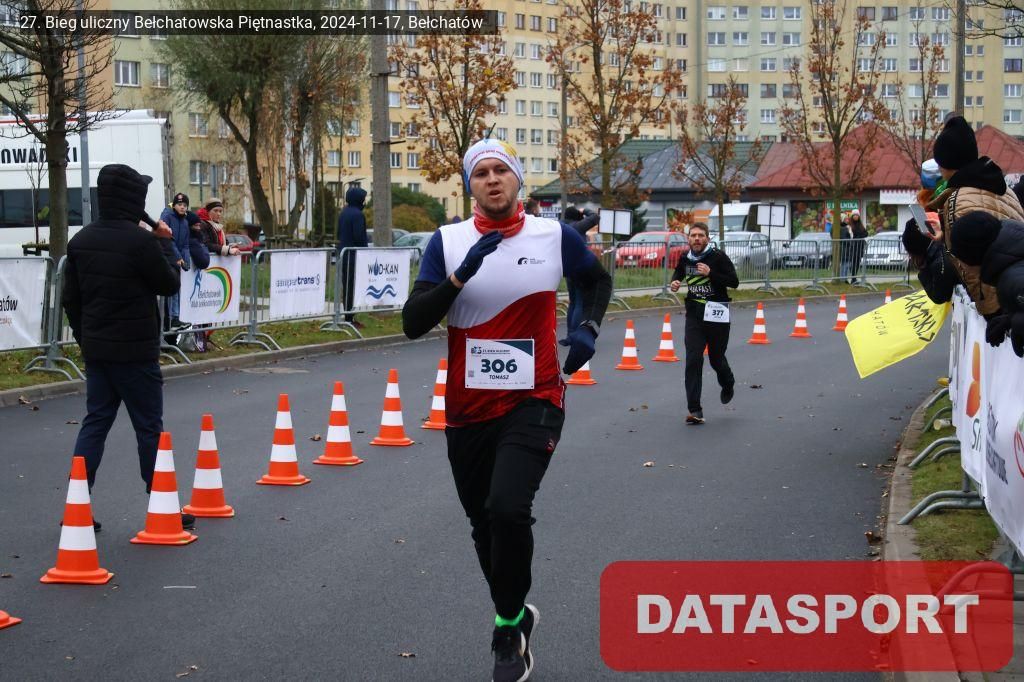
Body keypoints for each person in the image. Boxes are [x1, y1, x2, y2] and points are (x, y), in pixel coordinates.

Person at [402, 138, 611, 682]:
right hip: (467, 409)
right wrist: (458, 277)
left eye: (501, 170)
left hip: (535, 397)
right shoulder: (448, 241)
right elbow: (412, 322)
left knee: (508, 509)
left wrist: (587, 327)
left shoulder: (553, 236)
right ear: (469, 185)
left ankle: (505, 631)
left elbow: (596, 280)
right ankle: (515, 617)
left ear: (518, 179)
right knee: (483, 525)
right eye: (481, 173)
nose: (492, 179)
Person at [62, 164, 194, 530]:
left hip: (98, 352)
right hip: (136, 354)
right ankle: (162, 505)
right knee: (148, 427)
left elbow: (71, 300)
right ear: (134, 199)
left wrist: (86, 338)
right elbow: (168, 284)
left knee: (95, 423)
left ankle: (76, 505)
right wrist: (164, 242)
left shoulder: (81, 241)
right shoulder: (141, 242)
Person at [915, 115, 1024, 314]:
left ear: (947, 163)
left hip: (999, 305)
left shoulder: (957, 200)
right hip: (1015, 294)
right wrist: (944, 236)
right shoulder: (1006, 190)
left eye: (940, 162)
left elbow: (967, 266)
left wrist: (986, 310)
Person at [669, 222, 739, 425]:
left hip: (717, 315)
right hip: (695, 316)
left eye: (701, 235)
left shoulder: (718, 257)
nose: (697, 238)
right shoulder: (685, 257)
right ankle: (695, 410)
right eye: (693, 235)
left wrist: (711, 274)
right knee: (693, 359)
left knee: (716, 359)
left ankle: (728, 383)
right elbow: (679, 272)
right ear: (688, 239)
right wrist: (675, 282)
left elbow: (734, 282)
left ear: (707, 238)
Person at [947, 211, 1024, 356]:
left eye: (957, 256)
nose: (959, 263)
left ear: (970, 256)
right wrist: (1010, 319)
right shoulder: (1011, 257)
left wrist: (1016, 322)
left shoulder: (1011, 279)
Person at [337, 187, 369, 328]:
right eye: (363, 199)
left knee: (347, 286)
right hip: (354, 256)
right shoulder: (358, 215)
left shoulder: (343, 213)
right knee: (353, 287)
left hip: (344, 254)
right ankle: (350, 318)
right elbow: (359, 237)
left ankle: (348, 316)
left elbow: (339, 233)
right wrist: (365, 252)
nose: (364, 201)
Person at [160, 192, 191, 329]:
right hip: (167, 258)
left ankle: (175, 319)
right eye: (179, 204)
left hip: (177, 260)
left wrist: (186, 260)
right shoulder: (167, 217)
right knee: (171, 290)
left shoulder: (185, 222)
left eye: (184, 205)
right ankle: (170, 320)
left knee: (177, 289)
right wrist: (178, 258)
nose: (182, 207)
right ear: (174, 206)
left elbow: (185, 245)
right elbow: (168, 240)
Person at [848, 209, 869, 283]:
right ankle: (853, 278)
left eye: (857, 215)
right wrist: (859, 236)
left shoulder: (861, 225)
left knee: (857, 262)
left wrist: (860, 236)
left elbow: (866, 233)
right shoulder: (850, 225)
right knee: (853, 262)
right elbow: (852, 235)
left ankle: (854, 278)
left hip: (860, 247)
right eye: (854, 215)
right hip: (853, 247)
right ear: (852, 216)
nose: (856, 216)